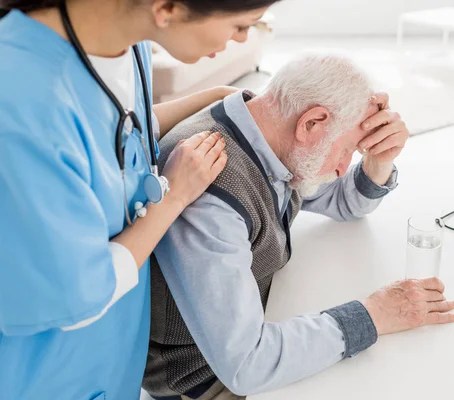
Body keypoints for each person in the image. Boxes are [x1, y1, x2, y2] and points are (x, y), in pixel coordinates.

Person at [0, 0, 281, 399]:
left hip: (113, 360)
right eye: (240, 25)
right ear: (166, 8)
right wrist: (174, 196)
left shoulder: (124, 43)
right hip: (49, 375)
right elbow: (78, 291)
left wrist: (217, 100)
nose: (242, 39)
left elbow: (117, 127)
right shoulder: (19, 104)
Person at [146, 53, 454, 400]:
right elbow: (247, 365)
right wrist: (375, 314)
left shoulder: (267, 130)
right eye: (344, 151)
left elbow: (348, 203)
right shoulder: (212, 193)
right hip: (201, 377)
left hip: (261, 319)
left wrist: (377, 159)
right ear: (311, 124)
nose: (343, 168)